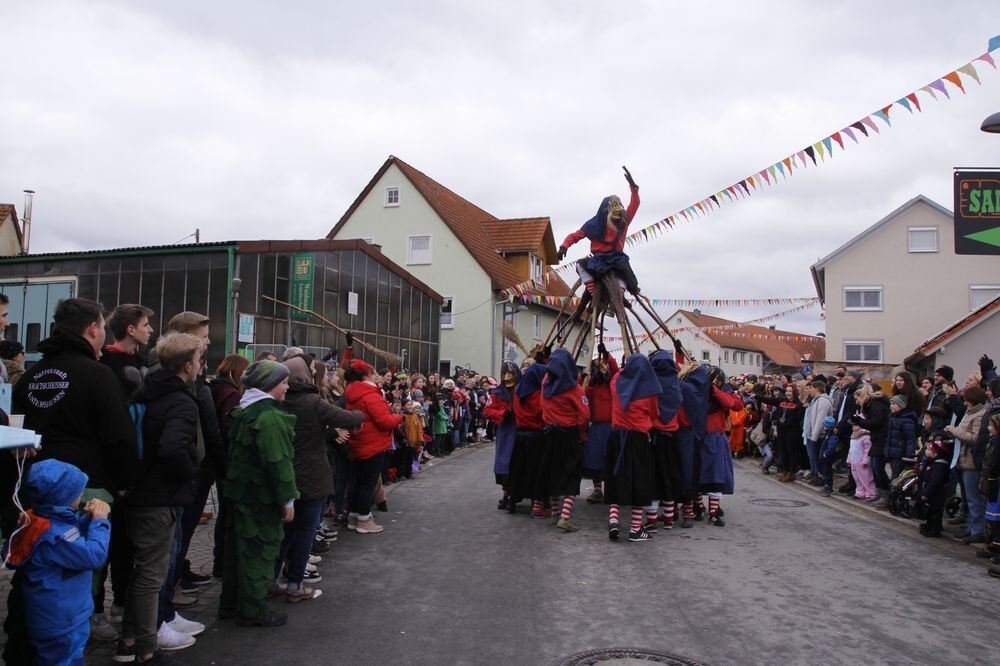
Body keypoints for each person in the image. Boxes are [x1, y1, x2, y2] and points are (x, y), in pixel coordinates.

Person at [9, 297, 135, 639]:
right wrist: (124, 481)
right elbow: (120, 436)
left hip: (36, 486)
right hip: (86, 486)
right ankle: (77, 626)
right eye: (102, 327)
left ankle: (29, 627)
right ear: (92, 329)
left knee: (37, 556)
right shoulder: (98, 375)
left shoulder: (31, 376)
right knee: (82, 563)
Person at [117, 332, 206, 660]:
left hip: (139, 490)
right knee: (152, 574)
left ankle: (129, 639)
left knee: (142, 571)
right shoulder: (180, 401)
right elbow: (172, 449)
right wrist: (190, 473)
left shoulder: (146, 391)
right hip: (160, 496)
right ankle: (146, 649)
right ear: (187, 365)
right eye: (198, 359)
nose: (201, 365)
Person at [2, 460, 111, 665]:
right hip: (61, 620)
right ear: (64, 497)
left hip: (58, 616)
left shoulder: (41, 520)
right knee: (62, 659)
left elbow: (70, 532)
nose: (82, 494)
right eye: (78, 492)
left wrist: (86, 519)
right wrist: (99, 521)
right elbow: (94, 555)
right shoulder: (54, 536)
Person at [219, 360, 298, 627]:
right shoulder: (269, 417)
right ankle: (253, 609)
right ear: (270, 385)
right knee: (258, 550)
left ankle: (230, 604)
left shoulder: (245, 409)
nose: (287, 387)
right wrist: (287, 500)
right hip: (260, 498)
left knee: (237, 550)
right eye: (283, 382)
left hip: (241, 493)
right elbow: (279, 464)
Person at [277, 356, 362, 601]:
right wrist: (360, 413)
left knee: (286, 532)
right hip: (312, 474)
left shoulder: (280, 401)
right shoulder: (311, 401)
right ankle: (295, 584)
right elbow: (346, 418)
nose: (315, 372)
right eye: (311, 369)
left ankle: (273, 579)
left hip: (288, 473)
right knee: (305, 531)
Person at [557, 166, 642, 295]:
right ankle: (592, 290)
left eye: (620, 205)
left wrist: (633, 187)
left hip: (617, 259)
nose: (619, 208)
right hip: (599, 260)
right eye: (615, 205)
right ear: (606, 209)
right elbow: (576, 235)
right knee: (580, 265)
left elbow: (635, 204)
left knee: (626, 275)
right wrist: (564, 246)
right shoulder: (593, 224)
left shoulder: (623, 222)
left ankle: (619, 293)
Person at [606, 354, 661, 542]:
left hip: (617, 435)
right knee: (640, 481)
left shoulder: (616, 380)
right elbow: (654, 413)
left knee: (616, 478)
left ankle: (614, 520)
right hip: (637, 438)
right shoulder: (648, 388)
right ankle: (635, 529)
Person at [343, 360, 402, 534]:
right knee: (367, 483)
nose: (377, 376)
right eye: (374, 373)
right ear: (366, 376)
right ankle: (364, 519)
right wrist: (398, 417)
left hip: (359, 443)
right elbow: (384, 421)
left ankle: (354, 516)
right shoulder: (370, 395)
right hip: (373, 444)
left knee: (356, 481)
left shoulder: (353, 392)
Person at [208, 353, 250, 577]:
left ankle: (220, 561)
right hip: (228, 462)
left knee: (224, 514)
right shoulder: (231, 394)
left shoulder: (216, 389)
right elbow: (230, 430)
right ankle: (223, 562)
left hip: (219, 460)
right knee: (228, 516)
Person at [539, 348, 589, 533]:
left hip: (550, 434)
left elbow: (542, 406)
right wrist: (580, 431)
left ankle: (555, 513)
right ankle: (565, 517)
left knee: (553, 473)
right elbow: (584, 415)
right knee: (571, 475)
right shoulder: (574, 389)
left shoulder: (545, 384)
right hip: (569, 435)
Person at [700, 367, 744, 526]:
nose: (715, 382)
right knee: (698, 474)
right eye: (712, 379)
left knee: (716, 475)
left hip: (717, 437)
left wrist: (716, 391)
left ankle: (713, 511)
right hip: (700, 437)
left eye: (717, 380)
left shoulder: (723, 391)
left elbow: (734, 404)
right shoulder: (699, 390)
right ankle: (698, 506)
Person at [945, 386, 987, 544]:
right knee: (968, 497)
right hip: (962, 459)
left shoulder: (980, 414)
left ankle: (978, 530)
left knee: (974, 498)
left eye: (966, 399)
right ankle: (971, 527)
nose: (964, 402)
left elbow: (975, 438)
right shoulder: (970, 412)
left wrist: (954, 431)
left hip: (971, 462)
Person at [507, 360, 548, 518]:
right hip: (535, 436)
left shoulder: (519, 391)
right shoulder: (537, 394)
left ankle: (512, 501)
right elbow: (541, 413)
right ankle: (535, 504)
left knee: (518, 470)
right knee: (534, 471)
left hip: (520, 436)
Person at [648, 349, 683, 530]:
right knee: (669, 476)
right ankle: (669, 519)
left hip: (655, 436)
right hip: (672, 437)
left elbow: (650, 409)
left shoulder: (650, 384)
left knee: (654, 478)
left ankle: (652, 520)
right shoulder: (675, 384)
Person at [483, 361, 521, 511]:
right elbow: (487, 411)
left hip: (520, 431)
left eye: (510, 373)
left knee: (517, 464)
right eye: (504, 373)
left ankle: (515, 494)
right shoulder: (497, 393)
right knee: (504, 464)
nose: (507, 377)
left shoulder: (522, 390)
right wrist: (503, 413)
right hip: (505, 432)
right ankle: (507, 494)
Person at [583, 345, 618, 503]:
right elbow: (585, 397)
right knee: (594, 459)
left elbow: (615, 371)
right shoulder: (593, 385)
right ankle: (598, 490)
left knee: (611, 459)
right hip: (596, 427)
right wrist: (591, 384)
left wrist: (607, 355)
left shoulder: (613, 384)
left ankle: (612, 490)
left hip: (611, 427)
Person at [851, 383, 891, 508]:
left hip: (882, 438)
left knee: (878, 467)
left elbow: (875, 423)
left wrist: (859, 421)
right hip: (877, 438)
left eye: (857, 399)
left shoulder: (875, 404)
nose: (857, 402)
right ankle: (878, 493)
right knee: (874, 467)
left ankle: (885, 495)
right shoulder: (871, 405)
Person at [102, 304, 154, 399]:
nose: (151, 330)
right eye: (145, 325)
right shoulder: (104, 364)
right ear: (131, 330)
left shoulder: (143, 362)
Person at [918, 434, 954, 538]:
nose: (926, 451)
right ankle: (929, 525)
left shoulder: (939, 466)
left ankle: (935, 529)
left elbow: (934, 481)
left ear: (936, 453)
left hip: (936, 494)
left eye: (929, 450)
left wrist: (926, 493)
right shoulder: (932, 463)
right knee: (930, 511)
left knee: (935, 511)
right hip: (932, 493)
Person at [803, 380, 834, 486]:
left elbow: (819, 420)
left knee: (818, 458)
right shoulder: (815, 400)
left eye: (811, 388)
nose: (810, 390)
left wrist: (814, 437)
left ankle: (822, 477)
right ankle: (817, 475)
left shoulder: (823, 401)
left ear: (817, 388)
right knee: (813, 457)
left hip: (818, 436)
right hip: (811, 434)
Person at [885, 394, 919, 480]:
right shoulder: (892, 417)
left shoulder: (907, 419)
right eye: (890, 404)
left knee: (897, 476)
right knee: (894, 474)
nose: (891, 406)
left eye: (894, 404)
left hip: (900, 454)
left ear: (901, 405)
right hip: (892, 452)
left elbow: (910, 438)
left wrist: (909, 454)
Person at [847, 424, 876, 500]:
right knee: (857, 479)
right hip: (854, 461)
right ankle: (860, 492)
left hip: (861, 462)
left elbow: (868, 450)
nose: (854, 427)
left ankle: (870, 493)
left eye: (856, 425)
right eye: (853, 425)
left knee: (867, 478)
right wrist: (849, 460)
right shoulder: (853, 437)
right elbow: (851, 450)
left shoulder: (865, 437)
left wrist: (866, 461)